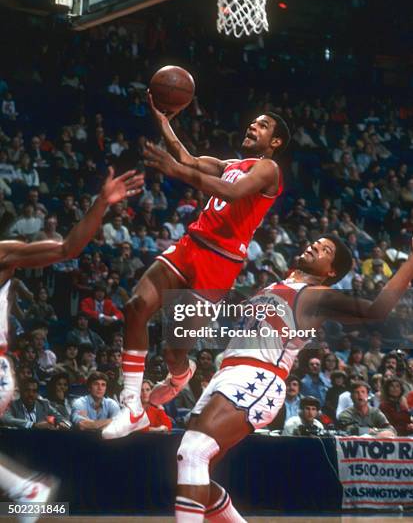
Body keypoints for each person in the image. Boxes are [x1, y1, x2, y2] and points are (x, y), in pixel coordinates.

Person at [170, 234, 413, 521]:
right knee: (196, 474)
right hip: (228, 374)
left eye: (325, 250)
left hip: (259, 376)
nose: (314, 246)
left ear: (331, 271)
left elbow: (377, 310)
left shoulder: (316, 295)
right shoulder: (277, 285)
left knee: (193, 453)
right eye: (316, 242)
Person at [103, 91, 291, 439]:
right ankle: (131, 404)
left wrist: (177, 171)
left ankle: (180, 375)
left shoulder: (269, 169)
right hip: (190, 244)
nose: (254, 125)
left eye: (263, 126)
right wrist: (163, 120)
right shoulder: (231, 165)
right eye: (254, 121)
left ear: (274, 141)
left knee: (175, 352)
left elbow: (231, 193)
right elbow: (185, 156)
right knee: (136, 306)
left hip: (218, 263)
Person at [0, 166, 143, 518]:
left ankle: (25, 489)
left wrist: (101, 203)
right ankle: (25, 488)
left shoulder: (3, 255)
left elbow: (69, 247)